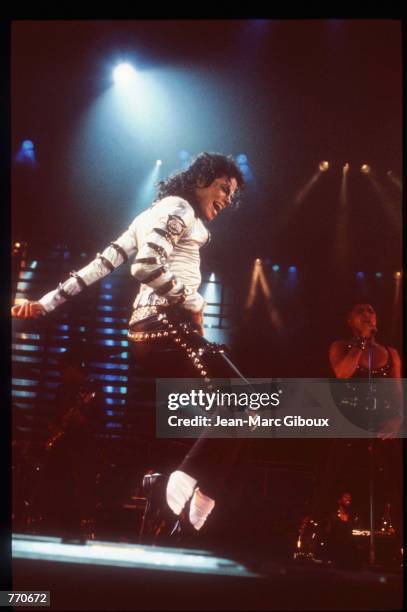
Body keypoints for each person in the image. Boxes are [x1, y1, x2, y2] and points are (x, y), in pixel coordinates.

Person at [12, 152, 246, 537]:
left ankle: (197, 493)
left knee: (239, 410)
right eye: (223, 187)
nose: (226, 198)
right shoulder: (180, 209)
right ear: (201, 179)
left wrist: (44, 303)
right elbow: (145, 267)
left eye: (232, 193)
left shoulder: (150, 215)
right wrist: (195, 301)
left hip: (149, 333)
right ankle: (184, 482)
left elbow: (102, 264)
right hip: (165, 324)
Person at [329, 303, 402, 438]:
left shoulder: (391, 353)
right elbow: (342, 374)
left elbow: (398, 392)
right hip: (349, 427)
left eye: (370, 311)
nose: (366, 314)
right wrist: (362, 339)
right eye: (360, 311)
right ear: (350, 321)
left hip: (383, 428)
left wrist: (397, 419)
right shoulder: (340, 347)